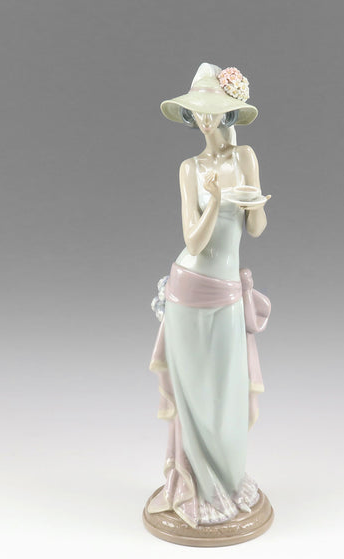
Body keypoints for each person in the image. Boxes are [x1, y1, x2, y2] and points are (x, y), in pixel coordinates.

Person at [147, 63, 271, 528]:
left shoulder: (246, 157)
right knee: (196, 396)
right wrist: (216, 200)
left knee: (228, 394)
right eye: (197, 111)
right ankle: (198, 486)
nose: (204, 119)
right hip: (189, 286)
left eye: (212, 110)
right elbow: (194, 241)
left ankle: (228, 480)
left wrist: (254, 204)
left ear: (227, 112)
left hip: (228, 291)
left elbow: (256, 230)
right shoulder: (190, 169)